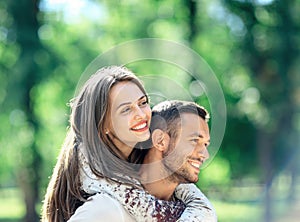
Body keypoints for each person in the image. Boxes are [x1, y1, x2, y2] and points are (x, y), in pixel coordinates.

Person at [41, 66, 214, 222]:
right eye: (126, 109)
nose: (141, 114)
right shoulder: (104, 204)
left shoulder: (151, 160)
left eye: (143, 103)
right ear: (103, 125)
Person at [70, 100, 217, 221]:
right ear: (160, 141)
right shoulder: (107, 209)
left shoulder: (196, 213)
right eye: (194, 140)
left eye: (205, 144)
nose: (205, 154)